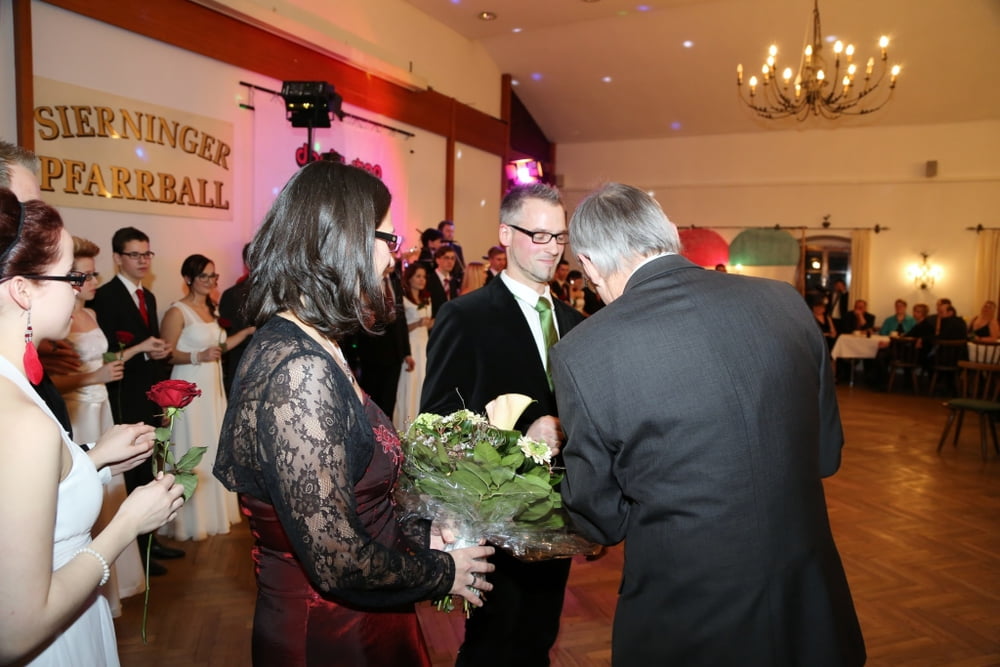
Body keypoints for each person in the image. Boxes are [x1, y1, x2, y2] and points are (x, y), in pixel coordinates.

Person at [550, 183, 865, 666]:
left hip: (687, 614)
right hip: (806, 602)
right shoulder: (785, 302)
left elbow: (600, 518)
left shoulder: (583, 351)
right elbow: (826, 454)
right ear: (670, 234)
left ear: (589, 264)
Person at [213, 161, 493, 666]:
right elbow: (337, 560)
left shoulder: (316, 344)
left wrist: (420, 534)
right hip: (328, 633)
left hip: (360, 621)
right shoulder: (299, 370)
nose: (394, 256)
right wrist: (444, 572)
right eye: (389, 238)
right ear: (345, 241)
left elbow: (348, 504)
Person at [0, 188, 185, 665]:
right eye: (71, 276)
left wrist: (95, 458)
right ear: (23, 290)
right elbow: (18, 628)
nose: (80, 288)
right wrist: (128, 523)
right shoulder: (19, 419)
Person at [421, 182, 584, 667]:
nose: (552, 248)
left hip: (561, 516)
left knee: (539, 638)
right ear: (505, 234)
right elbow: (437, 423)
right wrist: (519, 437)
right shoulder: (465, 316)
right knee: (493, 644)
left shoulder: (576, 322)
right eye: (539, 235)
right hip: (495, 512)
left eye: (559, 237)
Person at [49, 236, 145, 616]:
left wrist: (114, 364)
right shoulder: (57, 322)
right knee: (86, 489)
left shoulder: (89, 313)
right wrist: (95, 376)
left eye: (92, 275)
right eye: (84, 275)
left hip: (102, 405)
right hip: (79, 411)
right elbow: (51, 384)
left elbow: (98, 360)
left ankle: (118, 580)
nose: (92, 282)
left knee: (110, 488)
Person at [89, 226, 185, 574]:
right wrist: (142, 348)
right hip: (121, 396)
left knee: (150, 468)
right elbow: (103, 356)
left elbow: (148, 347)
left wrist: (158, 356)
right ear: (117, 258)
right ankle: (135, 551)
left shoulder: (150, 296)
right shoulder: (104, 297)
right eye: (135, 254)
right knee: (129, 471)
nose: (143, 261)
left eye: (147, 254)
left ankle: (151, 541)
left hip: (148, 393)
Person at [159, 254, 253, 541]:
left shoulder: (211, 309)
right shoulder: (177, 311)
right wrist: (197, 356)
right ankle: (189, 520)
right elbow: (165, 353)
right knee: (192, 442)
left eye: (213, 276)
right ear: (188, 279)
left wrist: (248, 332)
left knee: (212, 443)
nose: (210, 281)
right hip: (188, 383)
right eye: (204, 276)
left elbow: (219, 347)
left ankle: (214, 514)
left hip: (212, 386)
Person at [394, 262, 433, 431]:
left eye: (424, 276)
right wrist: (418, 323)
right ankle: (406, 423)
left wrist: (431, 323)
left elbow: (429, 323)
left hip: (424, 344)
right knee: (411, 383)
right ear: (409, 278)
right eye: (418, 276)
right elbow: (402, 328)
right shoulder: (403, 300)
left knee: (423, 380)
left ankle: (422, 421)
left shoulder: (427, 299)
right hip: (411, 344)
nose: (422, 280)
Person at [218, 243, 253, 396]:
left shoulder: (279, 292)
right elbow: (223, 336)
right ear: (247, 263)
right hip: (240, 361)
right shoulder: (231, 295)